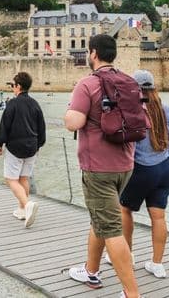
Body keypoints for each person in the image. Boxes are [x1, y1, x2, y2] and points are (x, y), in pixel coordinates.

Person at [64, 34, 140, 297]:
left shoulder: (88, 84)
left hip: (98, 168)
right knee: (102, 218)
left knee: (110, 229)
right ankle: (91, 270)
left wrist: (69, 112)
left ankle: (132, 293)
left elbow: (73, 122)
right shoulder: (129, 82)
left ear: (93, 53)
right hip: (126, 165)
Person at [103, 69, 169, 279]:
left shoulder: (133, 111)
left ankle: (126, 255)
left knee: (124, 209)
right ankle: (157, 263)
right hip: (165, 169)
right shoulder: (165, 110)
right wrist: (164, 157)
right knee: (158, 216)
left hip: (141, 170)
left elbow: (126, 144)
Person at [0, 72, 46, 228]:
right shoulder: (35, 104)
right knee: (24, 178)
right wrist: (39, 145)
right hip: (32, 147)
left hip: (15, 146)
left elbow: (5, 126)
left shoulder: (12, 104)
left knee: (11, 179)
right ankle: (22, 210)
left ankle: (27, 204)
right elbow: (41, 127)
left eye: (13, 85)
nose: (12, 88)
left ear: (18, 86)